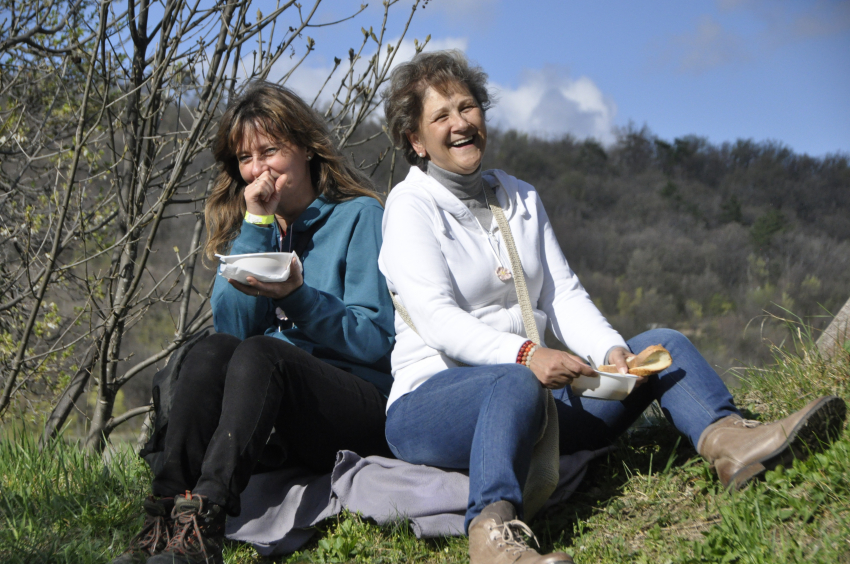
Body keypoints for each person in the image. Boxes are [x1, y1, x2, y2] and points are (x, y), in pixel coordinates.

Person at [379, 50, 846, 564]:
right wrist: (527, 355)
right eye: (441, 116)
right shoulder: (410, 207)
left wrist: (612, 350)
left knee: (663, 344)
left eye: (468, 108)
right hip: (431, 404)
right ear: (416, 141)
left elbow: (563, 294)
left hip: (531, 396)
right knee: (512, 379)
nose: (461, 123)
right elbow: (439, 321)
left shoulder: (519, 197)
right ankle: (493, 535)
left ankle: (731, 444)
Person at [113, 82, 395, 564]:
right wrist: (257, 225)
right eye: (246, 158)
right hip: (279, 404)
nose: (257, 168)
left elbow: (374, 340)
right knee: (207, 350)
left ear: (305, 147)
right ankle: (163, 520)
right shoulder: (256, 226)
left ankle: (206, 525)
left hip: (355, 402)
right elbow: (234, 332)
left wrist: (299, 298)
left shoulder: (360, 217)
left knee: (264, 353)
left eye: (270, 150)